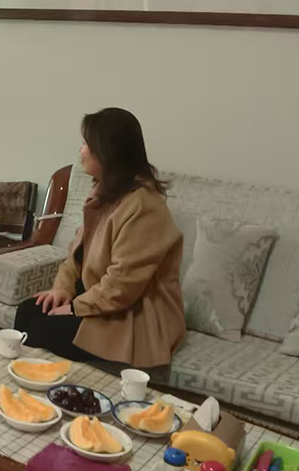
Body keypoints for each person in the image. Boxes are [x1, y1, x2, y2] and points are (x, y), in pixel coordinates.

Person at [15, 108, 185, 368]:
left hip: (133, 313)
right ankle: (26, 380)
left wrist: (74, 308)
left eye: (86, 144)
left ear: (106, 152)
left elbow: (121, 287)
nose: (80, 150)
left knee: (43, 328)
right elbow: (75, 255)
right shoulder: (105, 192)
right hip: (99, 299)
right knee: (29, 310)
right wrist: (62, 289)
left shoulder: (144, 207)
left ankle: (45, 386)